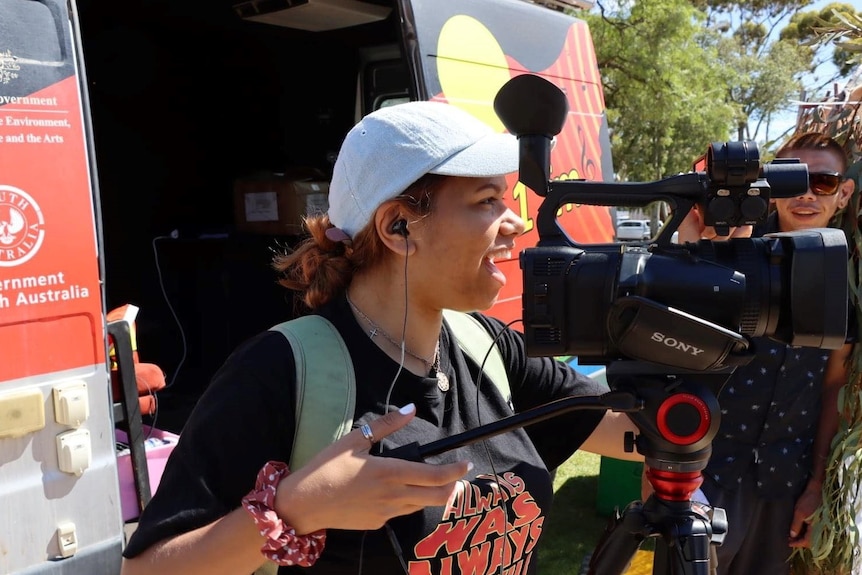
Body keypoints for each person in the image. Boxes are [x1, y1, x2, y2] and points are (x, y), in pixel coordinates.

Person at [120, 101, 641, 575]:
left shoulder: (485, 345)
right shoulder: (279, 370)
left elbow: (632, 430)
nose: (516, 223)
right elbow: (144, 571)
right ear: (398, 227)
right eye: (487, 201)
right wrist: (297, 510)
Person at [675, 132, 855, 575]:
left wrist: (816, 485)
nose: (807, 194)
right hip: (708, 474)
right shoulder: (726, 257)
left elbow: (834, 387)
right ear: (770, 190)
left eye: (824, 182)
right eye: (792, 182)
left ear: (844, 194)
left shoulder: (852, 288)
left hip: (786, 485)